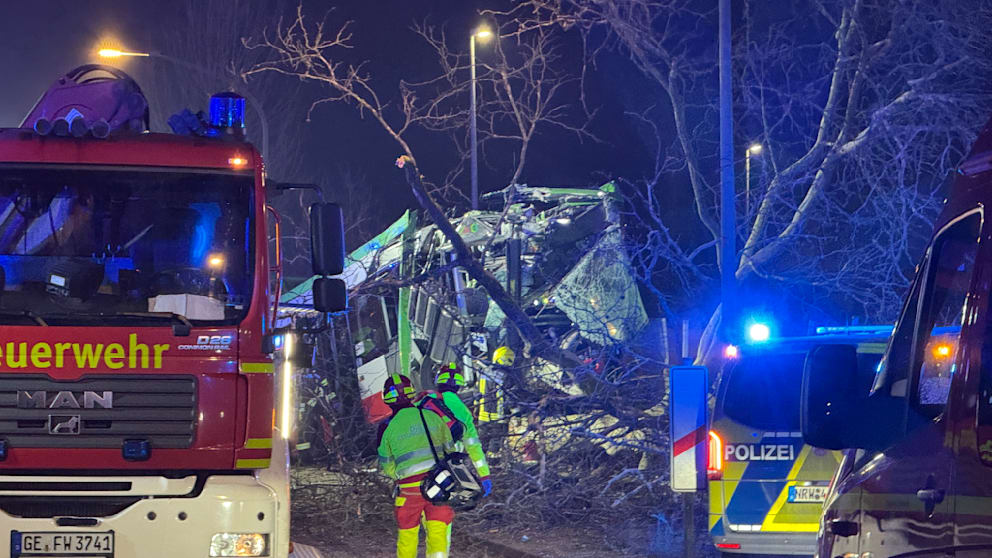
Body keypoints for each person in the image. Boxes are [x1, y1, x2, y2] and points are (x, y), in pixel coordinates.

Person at [378, 374, 456, 558]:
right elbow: (450, 449)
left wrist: (398, 476)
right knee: (438, 534)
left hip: (409, 490)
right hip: (439, 485)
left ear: (387, 400)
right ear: (412, 393)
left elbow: (386, 464)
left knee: (408, 535)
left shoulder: (386, 427)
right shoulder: (432, 416)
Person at [427, 362, 492, 497]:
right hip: (445, 464)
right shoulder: (463, 411)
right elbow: (473, 447)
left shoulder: (424, 400)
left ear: (438, 381)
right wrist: (484, 475)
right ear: (458, 385)